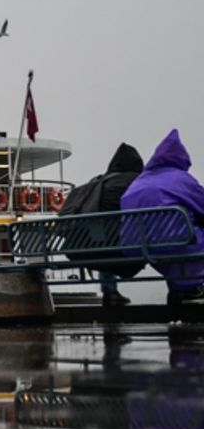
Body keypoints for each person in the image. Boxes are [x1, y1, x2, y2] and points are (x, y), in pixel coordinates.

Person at [120, 129, 204, 304]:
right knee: (182, 239)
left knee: (169, 239)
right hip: (174, 243)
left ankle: (183, 289)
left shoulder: (138, 182)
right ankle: (188, 288)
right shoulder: (180, 179)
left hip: (136, 246)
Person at [59, 143, 144, 307]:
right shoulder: (135, 182)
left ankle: (109, 290)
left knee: (104, 241)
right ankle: (180, 288)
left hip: (90, 243)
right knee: (164, 241)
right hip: (125, 244)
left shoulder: (97, 182)